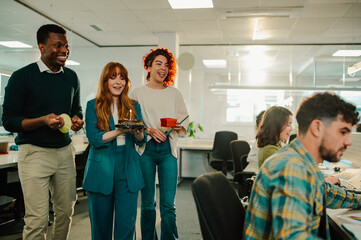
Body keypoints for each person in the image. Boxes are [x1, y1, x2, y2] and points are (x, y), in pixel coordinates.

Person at [2, 24, 84, 240]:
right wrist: (42, 120)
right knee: (37, 218)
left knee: (65, 212)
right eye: (58, 45)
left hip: (65, 152)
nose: (64, 50)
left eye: (66, 46)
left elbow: (76, 109)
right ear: (41, 47)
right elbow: (9, 121)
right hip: (34, 153)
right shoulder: (22, 77)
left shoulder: (71, 77)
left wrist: (76, 119)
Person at [244, 92, 361, 239]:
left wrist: (359, 200)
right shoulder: (290, 168)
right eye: (342, 132)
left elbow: (326, 192)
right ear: (317, 127)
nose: (348, 141)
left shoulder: (301, 162)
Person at [82, 62, 146, 240]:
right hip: (101, 167)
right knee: (100, 228)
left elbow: (141, 140)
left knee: (126, 226)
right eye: (113, 77)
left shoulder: (134, 105)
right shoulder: (92, 105)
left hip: (127, 168)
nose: (118, 82)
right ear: (105, 80)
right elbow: (95, 139)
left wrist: (139, 133)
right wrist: (120, 130)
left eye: (122, 77)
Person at [130, 48, 189, 240]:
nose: (163, 68)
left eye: (166, 65)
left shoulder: (174, 93)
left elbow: (184, 121)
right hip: (145, 150)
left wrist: (179, 126)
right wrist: (148, 130)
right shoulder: (137, 93)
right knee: (147, 204)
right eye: (158, 63)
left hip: (167, 150)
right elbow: (131, 122)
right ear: (148, 66)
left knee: (168, 205)